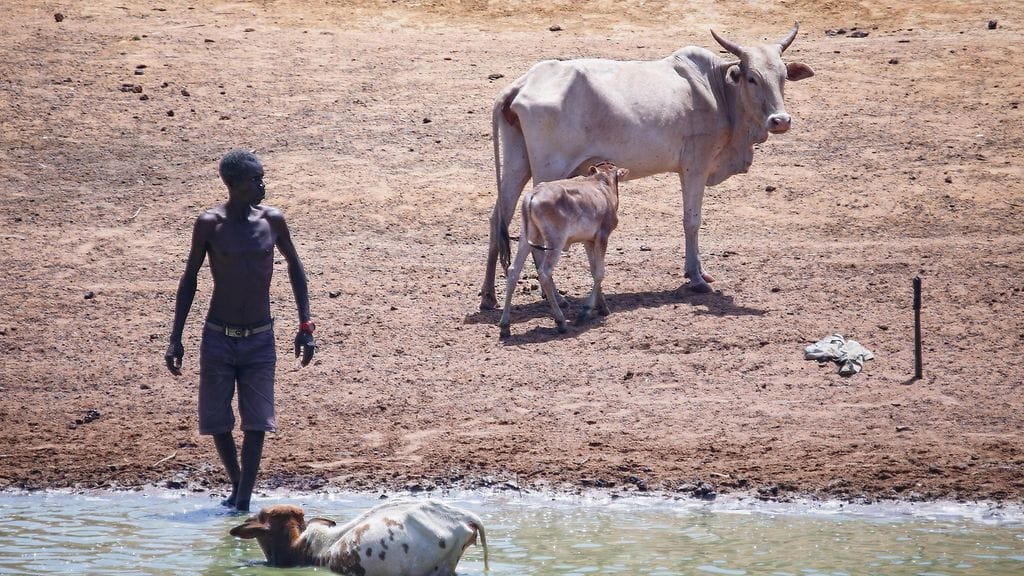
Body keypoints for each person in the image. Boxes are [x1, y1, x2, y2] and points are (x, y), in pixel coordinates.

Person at [165, 149, 315, 512]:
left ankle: (243, 501)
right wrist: (175, 337)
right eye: (255, 180)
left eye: (262, 178)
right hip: (218, 335)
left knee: (257, 423)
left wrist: (305, 324)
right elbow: (190, 279)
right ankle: (238, 485)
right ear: (232, 185)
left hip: (261, 337)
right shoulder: (209, 224)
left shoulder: (273, 220)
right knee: (217, 420)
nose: (262, 185)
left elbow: (296, 268)